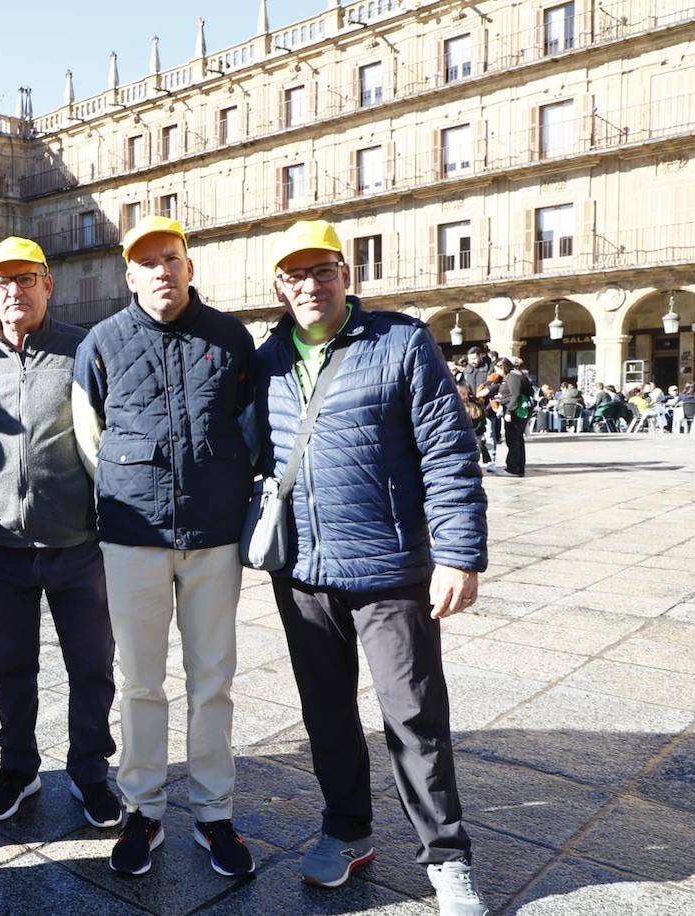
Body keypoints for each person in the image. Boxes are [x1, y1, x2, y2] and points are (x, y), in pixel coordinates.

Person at [256, 219, 488, 916]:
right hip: (300, 570)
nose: (309, 285)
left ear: (346, 275)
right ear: (278, 285)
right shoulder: (265, 359)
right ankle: (347, 829)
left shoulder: (400, 342)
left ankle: (446, 856)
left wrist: (458, 554)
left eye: (322, 270)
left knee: (414, 713)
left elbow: (448, 451)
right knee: (325, 713)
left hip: (390, 567)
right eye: (294, 275)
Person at [72, 216, 257, 878]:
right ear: (129, 276)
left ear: (189, 266)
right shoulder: (101, 342)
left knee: (214, 680)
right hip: (134, 538)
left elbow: (250, 421)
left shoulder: (231, 338)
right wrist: (128, 491)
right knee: (140, 682)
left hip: (213, 536)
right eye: (146, 261)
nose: (160, 270)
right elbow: (87, 436)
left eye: (170, 258)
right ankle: (143, 810)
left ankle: (214, 815)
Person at [0, 236, 121, 830]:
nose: (13, 291)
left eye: (25, 279)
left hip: (79, 546)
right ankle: (18, 768)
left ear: (48, 283)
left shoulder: (85, 350)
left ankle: (91, 771)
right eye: (1, 281)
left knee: (91, 666)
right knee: (9, 667)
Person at [495, 357, 533, 474]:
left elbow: (515, 395)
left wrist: (509, 412)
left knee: (512, 440)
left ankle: (512, 468)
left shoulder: (512, 376)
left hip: (516, 412)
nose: (496, 372)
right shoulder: (516, 375)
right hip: (517, 411)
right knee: (517, 439)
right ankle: (518, 467)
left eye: (497, 369)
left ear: (502, 367)